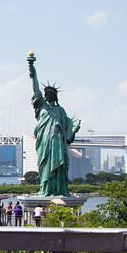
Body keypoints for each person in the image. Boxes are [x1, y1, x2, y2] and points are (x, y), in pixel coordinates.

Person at [28, 56, 81, 196]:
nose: (49, 95)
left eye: (51, 94)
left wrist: (73, 129)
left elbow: (69, 127)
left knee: (59, 165)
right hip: (45, 141)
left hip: (58, 141)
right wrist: (32, 69)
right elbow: (35, 88)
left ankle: (59, 189)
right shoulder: (41, 107)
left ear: (55, 96)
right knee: (45, 165)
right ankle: (45, 189)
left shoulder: (60, 110)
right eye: (47, 93)